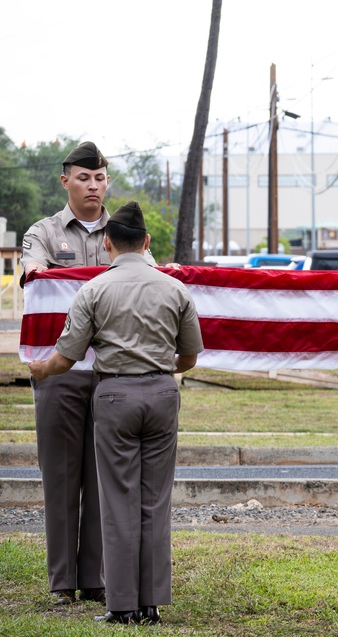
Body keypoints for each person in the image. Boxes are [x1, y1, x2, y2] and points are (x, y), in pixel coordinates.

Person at [29, 201, 204, 625]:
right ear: (146, 243)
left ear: (107, 243)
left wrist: (40, 369)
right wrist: (160, 368)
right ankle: (151, 604)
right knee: (155, 503)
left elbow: (66, 357)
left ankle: (121, 605)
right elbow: (189, 358)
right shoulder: (175, 289)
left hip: (114, 396)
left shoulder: (93, 290)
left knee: (118, 500)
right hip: (162, 394)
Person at [20, 141, 115, 606]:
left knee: (101, 482)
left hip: (111, 373)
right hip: (57, 372)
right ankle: (62, 583)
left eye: (99, 178)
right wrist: (46, 273)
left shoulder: (123, 235)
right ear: (66, 181)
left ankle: (95, 580)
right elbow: (33, 271)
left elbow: (147, 278)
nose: (93, 185)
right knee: (59, 479)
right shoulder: (43, 231)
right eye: (84, 177)